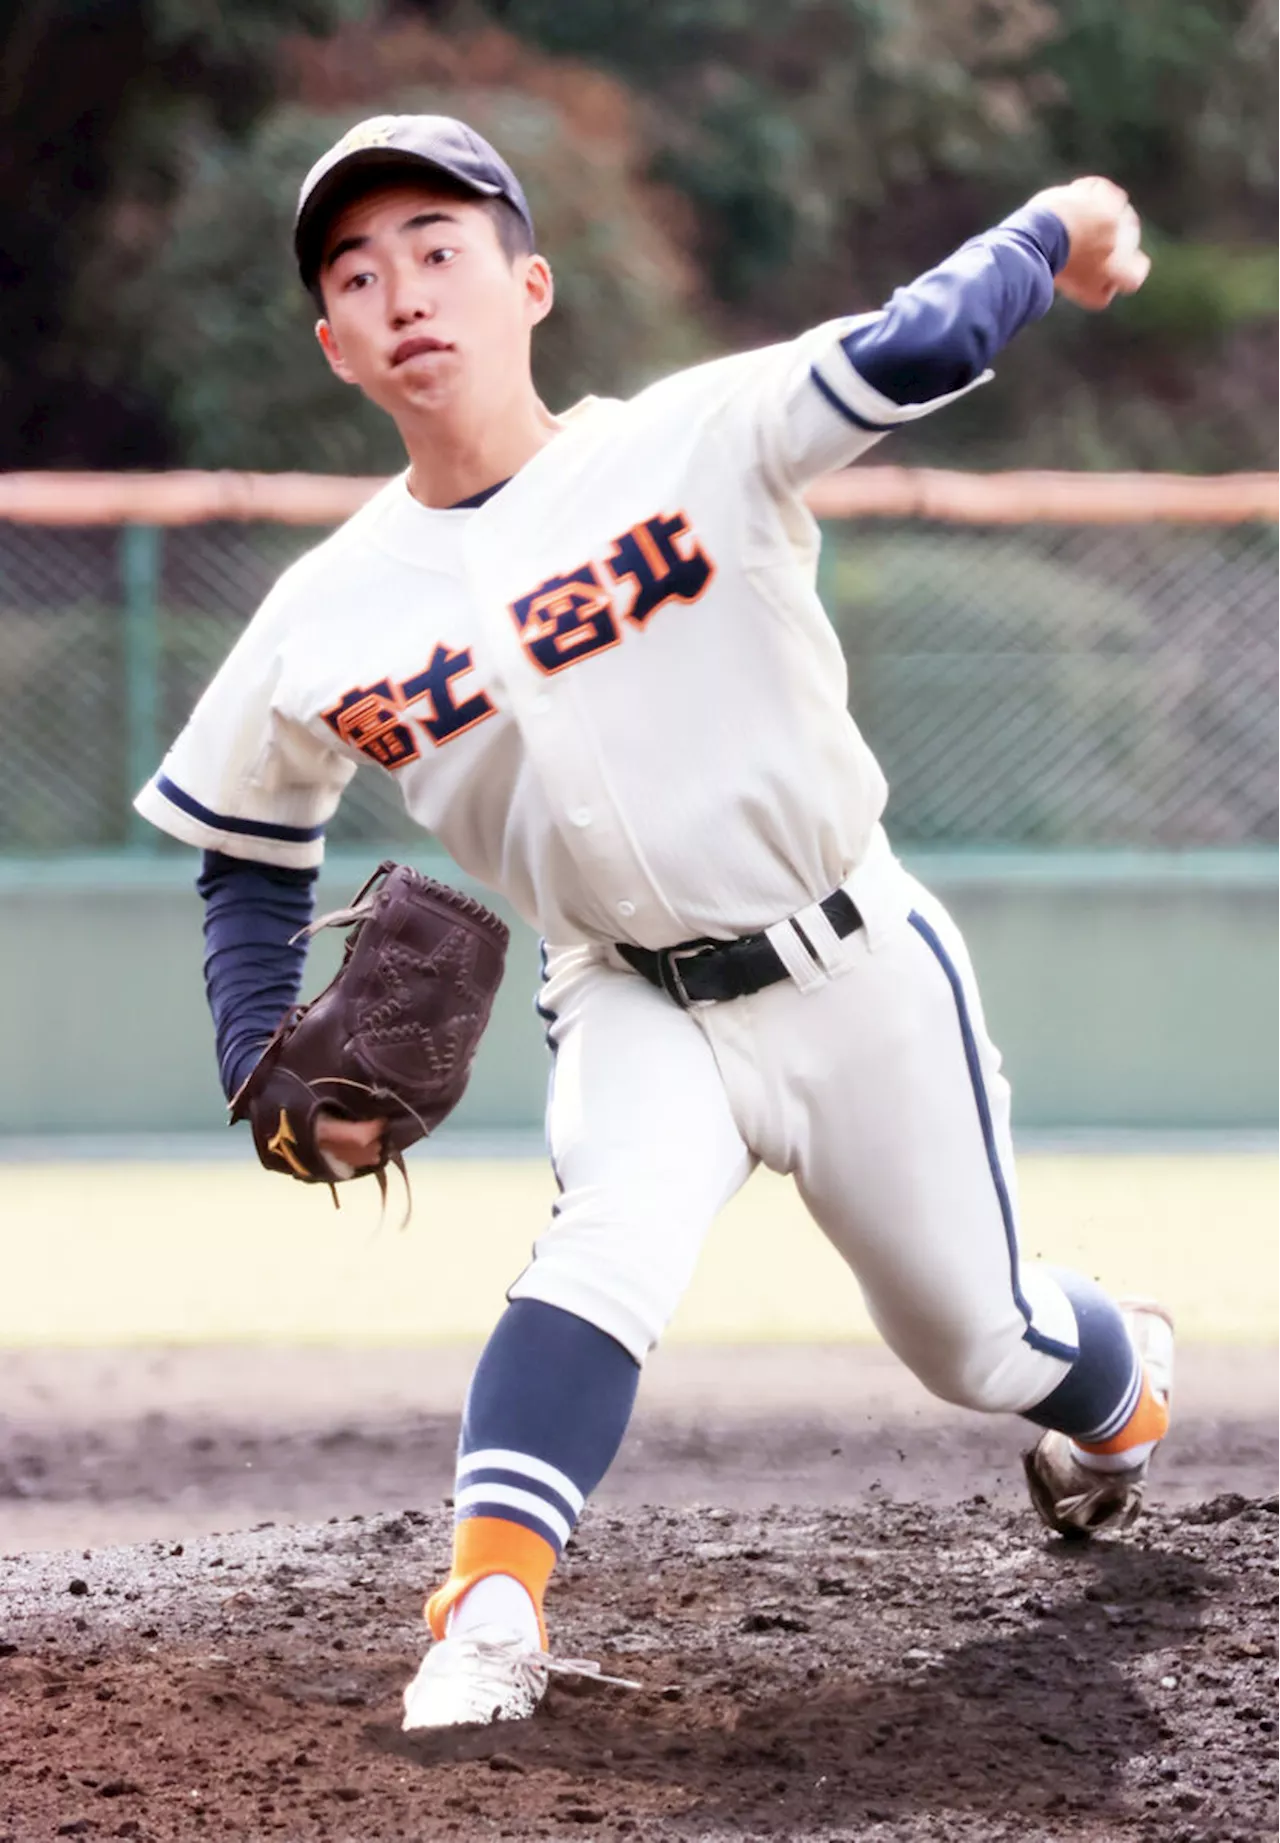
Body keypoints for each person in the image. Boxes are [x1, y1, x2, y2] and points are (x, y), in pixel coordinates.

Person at [136, 114, 1173, 1731]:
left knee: (984, 1339)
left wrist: (1055, 222)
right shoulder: (324, 610)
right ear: (332, 345)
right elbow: (249, 849)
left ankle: (1123, 1405)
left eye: (439, 248)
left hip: (852, 967)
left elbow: (920, 342)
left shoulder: (691, 438)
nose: (404, 289)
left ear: (529, 283)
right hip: (625, 994)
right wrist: (253, 1054)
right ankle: (488, 1610)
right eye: (358, 271)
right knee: (602, 1244)